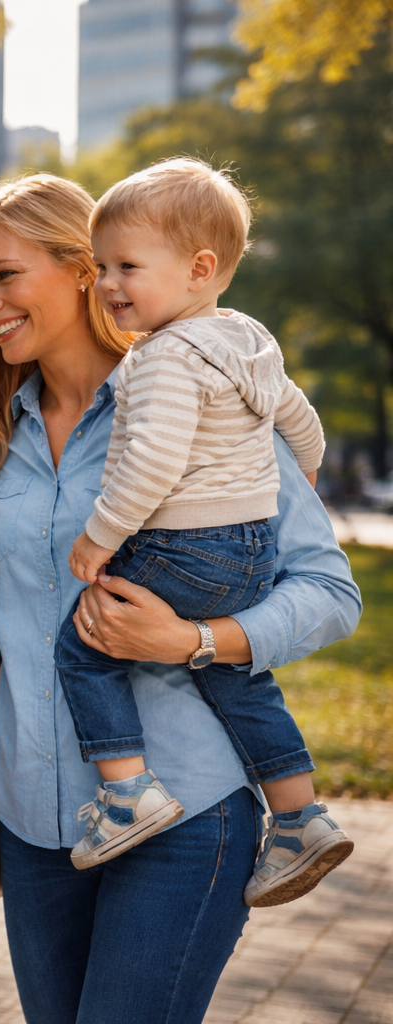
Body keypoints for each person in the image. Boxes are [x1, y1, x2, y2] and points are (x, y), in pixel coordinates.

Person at [0, 173, 360, 1023]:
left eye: (5, 275)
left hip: (188, 813)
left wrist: (194, 640)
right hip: (37, 822)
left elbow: (332, 594)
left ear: (86, 269)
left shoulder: (204, 397)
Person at [53, 158, 353, 903]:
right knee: (240, 677)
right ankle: (298, 819)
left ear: (199, 268)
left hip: (183, 545)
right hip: (248, 551)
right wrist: (302, 474)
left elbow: (151, 462)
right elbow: (298, 421)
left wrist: (98, 535)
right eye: (101, 266)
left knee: (85, 648)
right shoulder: (246, 340)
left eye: (127, 266)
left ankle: (128, 795)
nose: (108, 284)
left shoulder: (162, 356)